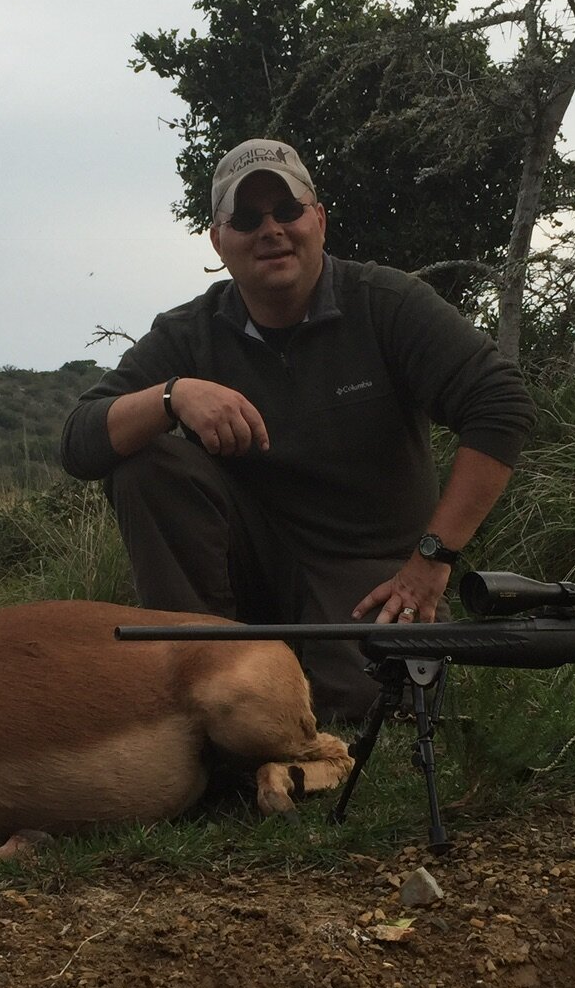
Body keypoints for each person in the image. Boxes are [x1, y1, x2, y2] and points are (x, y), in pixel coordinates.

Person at [60, 138, 535, 724]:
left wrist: (431, 561)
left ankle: (309, 674)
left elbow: (501, 403)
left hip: (365, 571)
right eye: (247, 218)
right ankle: (194, 672)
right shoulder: (190, 332)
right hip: (245, 570)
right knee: (144, 462)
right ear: (218, 240)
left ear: (319, 220)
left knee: (366, 708)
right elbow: (78, 439)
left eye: (287, 212)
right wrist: (172, 395)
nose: (271, 230)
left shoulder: (386, 303)